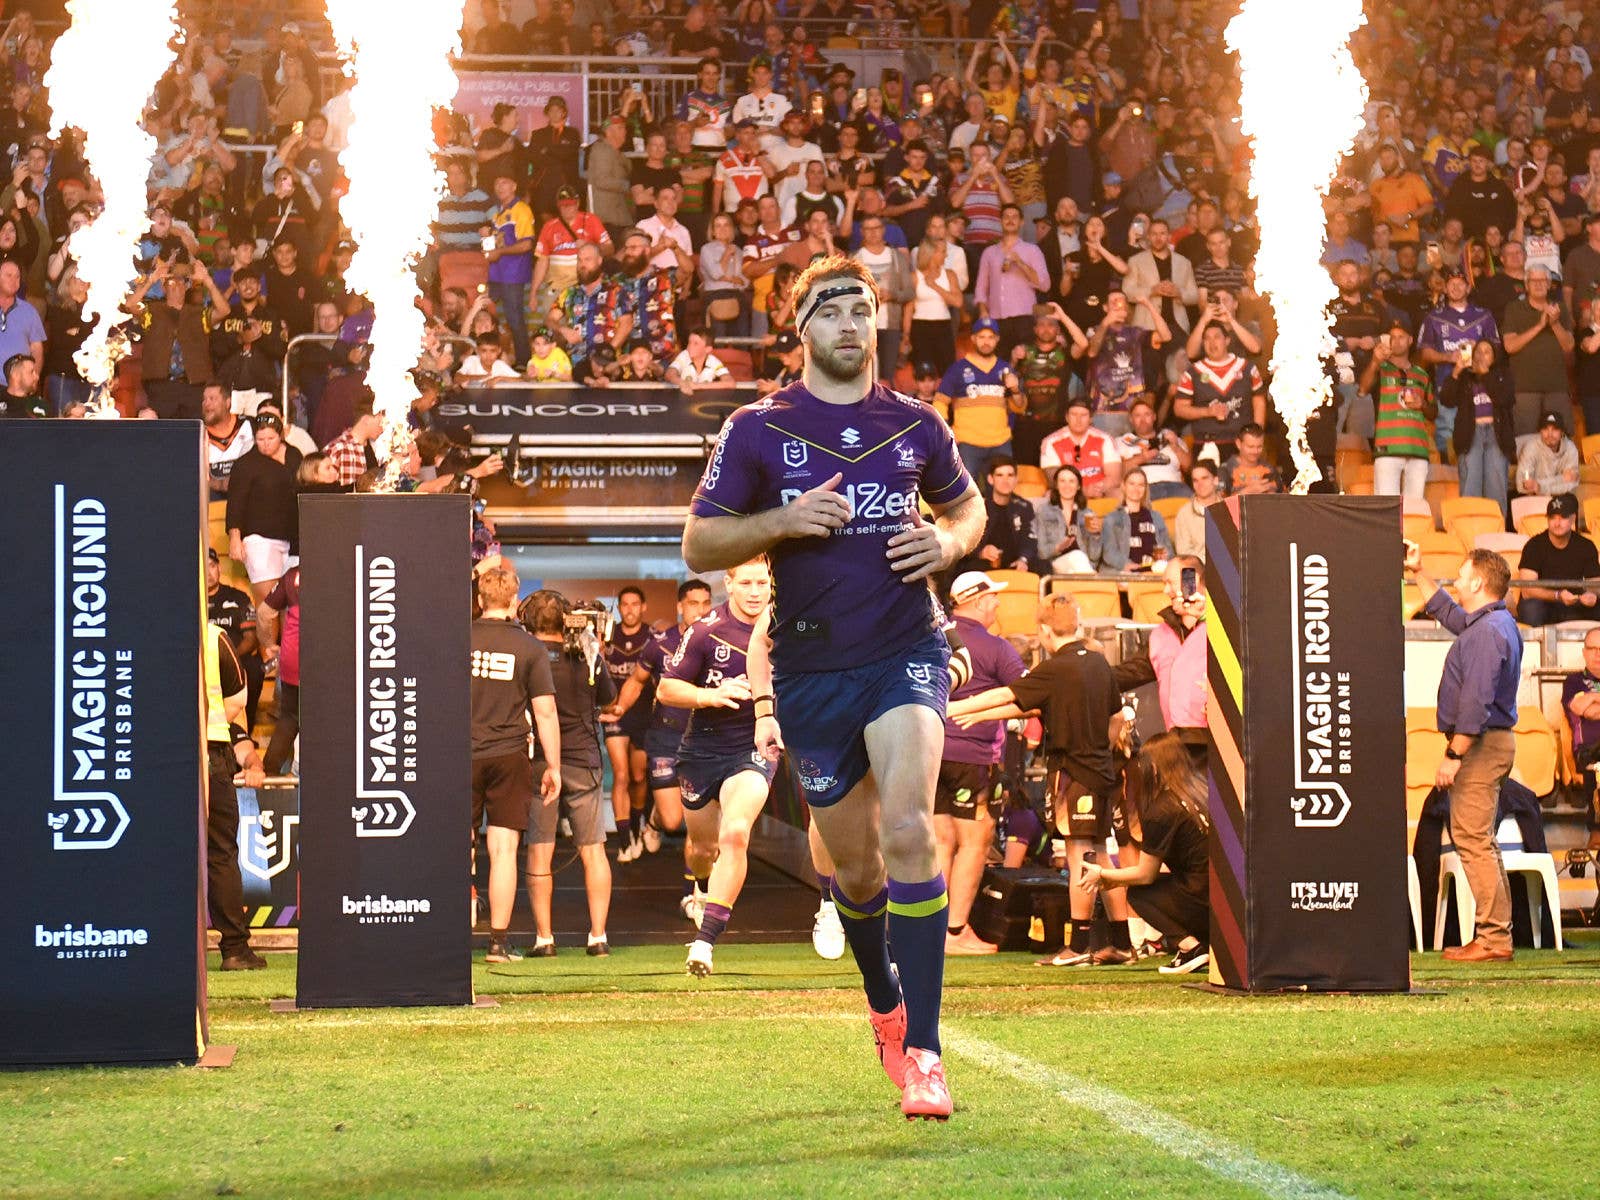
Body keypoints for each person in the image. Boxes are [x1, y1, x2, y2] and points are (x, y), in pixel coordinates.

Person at [682, 254, 986, 1121]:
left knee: (908, 828)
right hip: (812, 670)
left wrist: (951, 544)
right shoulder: (755, 429)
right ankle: (883, 1002)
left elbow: (966, 509)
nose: (852, 321)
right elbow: (699, 545)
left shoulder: (919, 424)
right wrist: (783, 521)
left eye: (862, 307)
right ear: (801, 328)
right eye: (831, 308)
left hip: (905, 649)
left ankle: (925, 1052)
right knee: (855, 876)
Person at [947, 592, 1134, 967]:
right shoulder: (1099, 664)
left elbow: (1008, 693)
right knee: (1102, 857)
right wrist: (1104, 750)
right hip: (1101, 773)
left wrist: (953, 705)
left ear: (1045, 631)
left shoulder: (1055, 668)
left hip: (1074, 773)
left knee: (1080, 856)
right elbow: (1115, 717)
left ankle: (1078, 945)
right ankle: (1122, 942)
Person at [657, 559, 777, 977]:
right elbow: (666, 688)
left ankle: (704, 943)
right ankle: (701, 886)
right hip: (702, 753)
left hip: (755, 749)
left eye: (762, 582)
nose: (755, 591)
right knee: (704, 850)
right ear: (728, 584)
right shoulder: (706, 629)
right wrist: (711, 695)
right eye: (745, 582)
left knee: (736, 832)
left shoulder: (791, 626)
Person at [1402, 544, 1520, 963]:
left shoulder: (1488, 632)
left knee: (1472, 839)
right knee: (1478, 839)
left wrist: (1453, 755)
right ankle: (1495, 935)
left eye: (1461, 574)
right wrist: (1418, 570)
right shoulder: (1487, 623)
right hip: (1487, 741)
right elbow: (1448, 613)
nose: (1456, 578)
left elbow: (1475, 703)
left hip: (1481, 745)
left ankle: (1493, 939)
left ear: (1478, 582)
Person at [518, 589, 617, 958]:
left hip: (540, 764)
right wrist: (598, 654)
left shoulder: (526, 657)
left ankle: (544, 939)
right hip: (585, 764)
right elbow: (609, 699)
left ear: (527, 620)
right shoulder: (588, 656)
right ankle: (598, 937)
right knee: (594, 852)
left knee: (539, 854)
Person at [609, 579, 716, 923]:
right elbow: (637, 681)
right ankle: (653, 823)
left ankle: (696, 895)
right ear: (680, 607)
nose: (700, 609)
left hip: (704, 740)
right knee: (672, 820)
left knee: (700, 825)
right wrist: (619, 710)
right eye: (693, 603)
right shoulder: (660, 644)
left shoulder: (718, 639)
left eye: (706, 603)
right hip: (665, 738)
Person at [470, 566, 562, 963]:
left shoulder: (458, 637)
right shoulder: (530, 648)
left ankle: (446, 940)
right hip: (509, 756)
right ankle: (497, 943)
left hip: (459, 755)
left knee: (457, 848)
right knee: (504, 850)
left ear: (478, 600)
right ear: (513, 602)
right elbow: (545, 713)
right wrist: (554, 766)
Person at [936, 572, 1026, 956]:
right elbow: (1027, 694)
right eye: (991, 597)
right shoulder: (995, 647)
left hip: (929, 751)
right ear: (973, 600)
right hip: (972, 758)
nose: (997, 604)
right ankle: (955, 932)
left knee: (939, 840)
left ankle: (931, 929)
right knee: (975, 840)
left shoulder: (934, 636)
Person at [1079, 731, 1211, 975]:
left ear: (1154, 767)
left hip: (1202, 896)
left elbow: (1145, 875)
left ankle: (1192, 948)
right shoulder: (1203, 793)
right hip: (1222, 894)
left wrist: (1103, 875)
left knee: (1140, 894)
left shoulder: (1162, 809)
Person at [204, 621, 268, 971]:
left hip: (157, 757)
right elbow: (237, 700)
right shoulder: (213, 636)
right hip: (210, 753)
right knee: (221, 855)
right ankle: (234, 950)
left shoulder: (143, 627)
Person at [600, 586, 655, 863]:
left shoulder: (653, 637)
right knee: (621, 774)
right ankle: (624, 842)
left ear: (643, 607)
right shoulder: (608, 637)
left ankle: (636, 827)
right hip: (615, 713)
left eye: (635, 604)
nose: (630, 609)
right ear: (619, 608)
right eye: (625, 604)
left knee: (637, 776)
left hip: (645, 716)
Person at [225, 412, 302, 608]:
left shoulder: (294, 456)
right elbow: (235, 502)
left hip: (292, 539)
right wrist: (235, 537)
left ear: (281, 435)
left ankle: (287, 640)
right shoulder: (246, 464)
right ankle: (267, 641)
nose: (266, 443)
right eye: (260, 439)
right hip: (260, 539)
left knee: (292, 601)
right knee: (270, 602)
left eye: (271, 438)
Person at [935, 316, 1022, 480]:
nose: (986, 342)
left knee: (1002, 493)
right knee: (967, 494)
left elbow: (1019, 407)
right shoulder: (958, 368)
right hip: (968, 442)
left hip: (1000, 442)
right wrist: (948, 433)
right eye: (981, 337)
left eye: (990, 337)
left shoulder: (1005, 368)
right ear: (973, 339)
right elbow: (940, 402)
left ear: (997, 340)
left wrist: (1016, 389)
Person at [1358, 318, 1436, 498]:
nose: (1396, 341)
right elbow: (1362, 389)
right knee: (1386, 510)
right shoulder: (1380, 368)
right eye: (1392, 337)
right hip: (1387, 449)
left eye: (1401, 337)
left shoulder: (1422, 374)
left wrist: (1421, 404)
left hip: (1417, 450)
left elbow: (1433, 412)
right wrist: (1375, 362)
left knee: (1414, 510)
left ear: (1410, 340)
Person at [1442, 338, 1516, 519]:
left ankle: (1496, 537)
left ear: (1494, 356)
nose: (1482, 355)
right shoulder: (1464, 376)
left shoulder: (1502, 374)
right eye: (1478, 352)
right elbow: (1446, 399)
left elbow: (1505, 399)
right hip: (1471, 435)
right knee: (1470, 487)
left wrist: (1486, 375)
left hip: (1496, 436)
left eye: (1487, 351)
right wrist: (1457, 370)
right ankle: (1469, 534)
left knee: (1496, 489)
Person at [1501, 266, 1576, 435]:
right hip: (1525, 388)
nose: (1538, 284)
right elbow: (1510, 346)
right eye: (1533, 280)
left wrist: (1554, 323)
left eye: (1543, 280)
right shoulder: (1514, 308)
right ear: (1526, 285)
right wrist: (1541, 325)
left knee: (1562, 439)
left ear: (1549, 284)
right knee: (1525, 440)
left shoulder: (1560, 308)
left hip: (1557, 386)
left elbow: (1569, 346)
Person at [1513, 493, 1599, 626]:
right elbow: (1527, 590)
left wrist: (1592, 595)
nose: (1557, 523)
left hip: (1574, 602)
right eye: (1553, 518)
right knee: (1532, 609)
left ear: (1573, 518)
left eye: (1563, 517)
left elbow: (1595, 583)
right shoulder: (1534, 545)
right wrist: (1558, 595)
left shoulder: (1586, 546)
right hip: (1543, 602)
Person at [256, 565, 300, 775]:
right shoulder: (342, 569)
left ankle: (270, 774)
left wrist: (268, 644)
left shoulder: (293, 575)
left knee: (290, 718)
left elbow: (264, 613)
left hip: (292, 658)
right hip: (326, 658)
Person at [1086, 467, 1173, 572]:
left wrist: (1165, 556)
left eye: (1141, 485)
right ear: (1124, 486)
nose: (1136, 489)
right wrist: (1126, 564)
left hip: (1154, 570)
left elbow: (1168, 549)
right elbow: (1109, 552)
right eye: (1132, 484)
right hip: (1125, 571)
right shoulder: (1112, 518)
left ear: (1145, 488)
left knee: (1187, 573)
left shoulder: (1156, 517)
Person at [1559, 628, 1600, 852]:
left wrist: (1592, 699)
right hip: (1588, 751)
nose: (1598, 654)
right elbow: (1583, 710)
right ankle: (1596, 831)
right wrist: (1590, 702)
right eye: (1592, 649)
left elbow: (1591, 709)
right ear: (1584, 652)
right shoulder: (1574, 682)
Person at [1039, 396, 1123, 499]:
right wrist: (1084, 491)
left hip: (1099, 492)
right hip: (1067, 494)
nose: (1078, 420)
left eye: (1083, 415)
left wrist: (1096, 489)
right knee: (1048, 496)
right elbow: (1054, 481)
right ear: (1067, 417)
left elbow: (1114, 478)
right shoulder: (1051, 442)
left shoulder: (1105, 439)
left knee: (1119, 493)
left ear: (1091, 418)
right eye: (1074, 414)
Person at [1032, 463, 1094, 574]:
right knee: (1077, 556)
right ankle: (1096, 584)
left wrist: (1096, 535)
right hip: (1056, 562)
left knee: (1074, 571)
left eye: (1071, 481)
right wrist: (1058, 548)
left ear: (1078, 486)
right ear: (1056, 485)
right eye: (1062, 481)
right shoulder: (1044, 512)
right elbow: (1041, 551)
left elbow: (1095, 554)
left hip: (1081, 565)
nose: (1067, 486)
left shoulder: (1087, 513)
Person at [1515, 412, 1580, 498]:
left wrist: (1539, 486)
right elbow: (1521, 485)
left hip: (1560, 497)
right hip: (1534, 498)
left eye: (1555, 429)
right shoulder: (1531, 447)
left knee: (1570, 500)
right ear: (1540, 431)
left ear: (1562, 432)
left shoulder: (1570, 449)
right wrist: (1561, 479)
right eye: (1545, 429)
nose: (1550, 434)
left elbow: (1571, 484)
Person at [1173, 462, 1220, 561]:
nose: (1200, 484)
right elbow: (1184, 552)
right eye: (1195, 480)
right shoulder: (1184, 514)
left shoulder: (1229, 510)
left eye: (1204, 478)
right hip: (1197, 570)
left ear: (1215, 480)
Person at [1218, 424, 1283, 497]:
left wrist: (1272, 489)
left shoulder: (1268, 469)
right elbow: (1219, 503)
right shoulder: (1226, 470)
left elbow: (1283, 495)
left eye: (1259, 447)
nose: (1255, 451)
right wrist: (1248, 491)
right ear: (1238, 444)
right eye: (1250, 447)